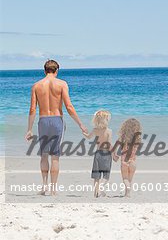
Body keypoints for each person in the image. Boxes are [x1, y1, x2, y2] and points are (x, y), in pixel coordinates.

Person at [25, 59, 87, 195]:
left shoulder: (36, 86)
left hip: (43, 121)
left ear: (44, 70)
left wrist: (29, 129)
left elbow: (32, 109)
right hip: (57, 120)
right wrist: (80, 123)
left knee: (44, 155)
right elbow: (69, 107)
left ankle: (44, 186)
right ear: (57, 70)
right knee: (55, 157)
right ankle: (53, 190)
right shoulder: (62, 84)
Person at [84, 110, 112, 198]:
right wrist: (114, 154)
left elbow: (88, 137)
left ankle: (96, 193)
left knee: (96, 176)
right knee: (106, 175)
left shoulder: (95, 130)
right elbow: (109, 144)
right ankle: (100, 189)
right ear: (106, 120)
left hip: (98, 154)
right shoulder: (109, 131)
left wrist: (84, 133)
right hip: (106, 154)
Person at [113, 118, 142, 197]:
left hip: (124, 162)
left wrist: (115, 155)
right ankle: (127, 194)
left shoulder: (122, 139)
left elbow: (113, 149)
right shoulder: (137, 139)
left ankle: (127, 190)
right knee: (130, 179)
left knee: (125, 179)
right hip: (133, 162)